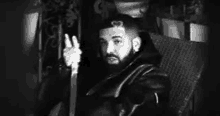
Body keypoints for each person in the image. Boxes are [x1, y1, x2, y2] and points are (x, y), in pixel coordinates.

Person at [34, 14, 172, 116]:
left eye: (117, 41)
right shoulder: (97, 69)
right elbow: (45, 97)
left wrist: (76, 105)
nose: (108, 49)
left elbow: (123, 111)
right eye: (103, 42)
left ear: (135, 44)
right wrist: (66, 67)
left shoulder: (154, 77)